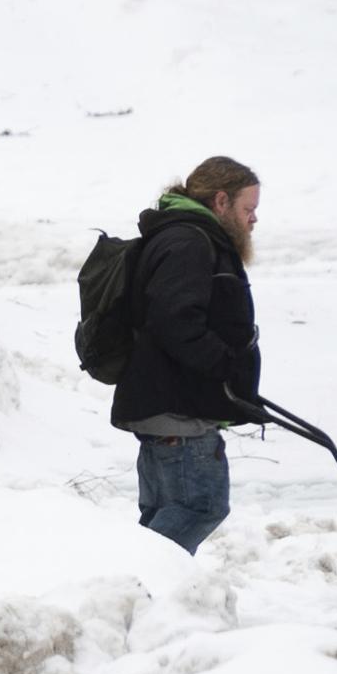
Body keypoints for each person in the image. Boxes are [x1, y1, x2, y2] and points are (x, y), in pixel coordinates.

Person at [110, 156, 265, 553]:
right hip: (178, 411)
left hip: (167, 405)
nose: (253, 220)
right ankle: (137, 582)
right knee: (202, 505)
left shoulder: (181, 236)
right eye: (248, 209)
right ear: (220, 201)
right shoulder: (189, 242)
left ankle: (139, 595)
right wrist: (226, 368)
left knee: (165, 512)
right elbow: (174, 320)